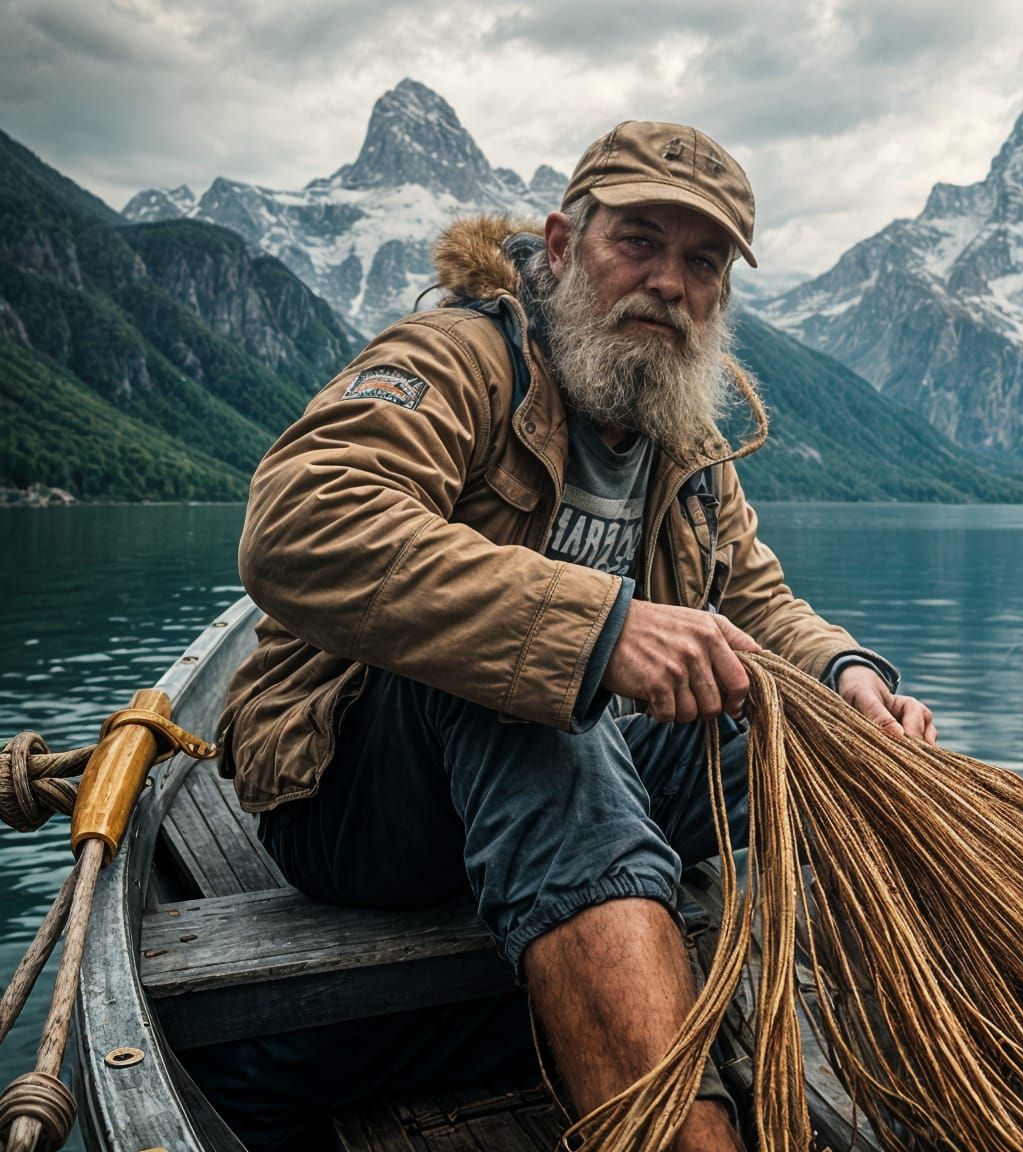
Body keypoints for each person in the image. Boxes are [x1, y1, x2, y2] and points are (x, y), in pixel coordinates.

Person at [212, 121, 936, 1151]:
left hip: (566, 777)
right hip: (353, 795)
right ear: (561, 246)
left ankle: (927, 1055)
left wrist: (846, 674)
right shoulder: (460, 358)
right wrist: (601, 631)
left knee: (811, 738)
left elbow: (756, 603)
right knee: (538, 700)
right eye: (638, 242)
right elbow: (301, 522)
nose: (669, 283)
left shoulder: (684, 437)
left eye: (702, 262)